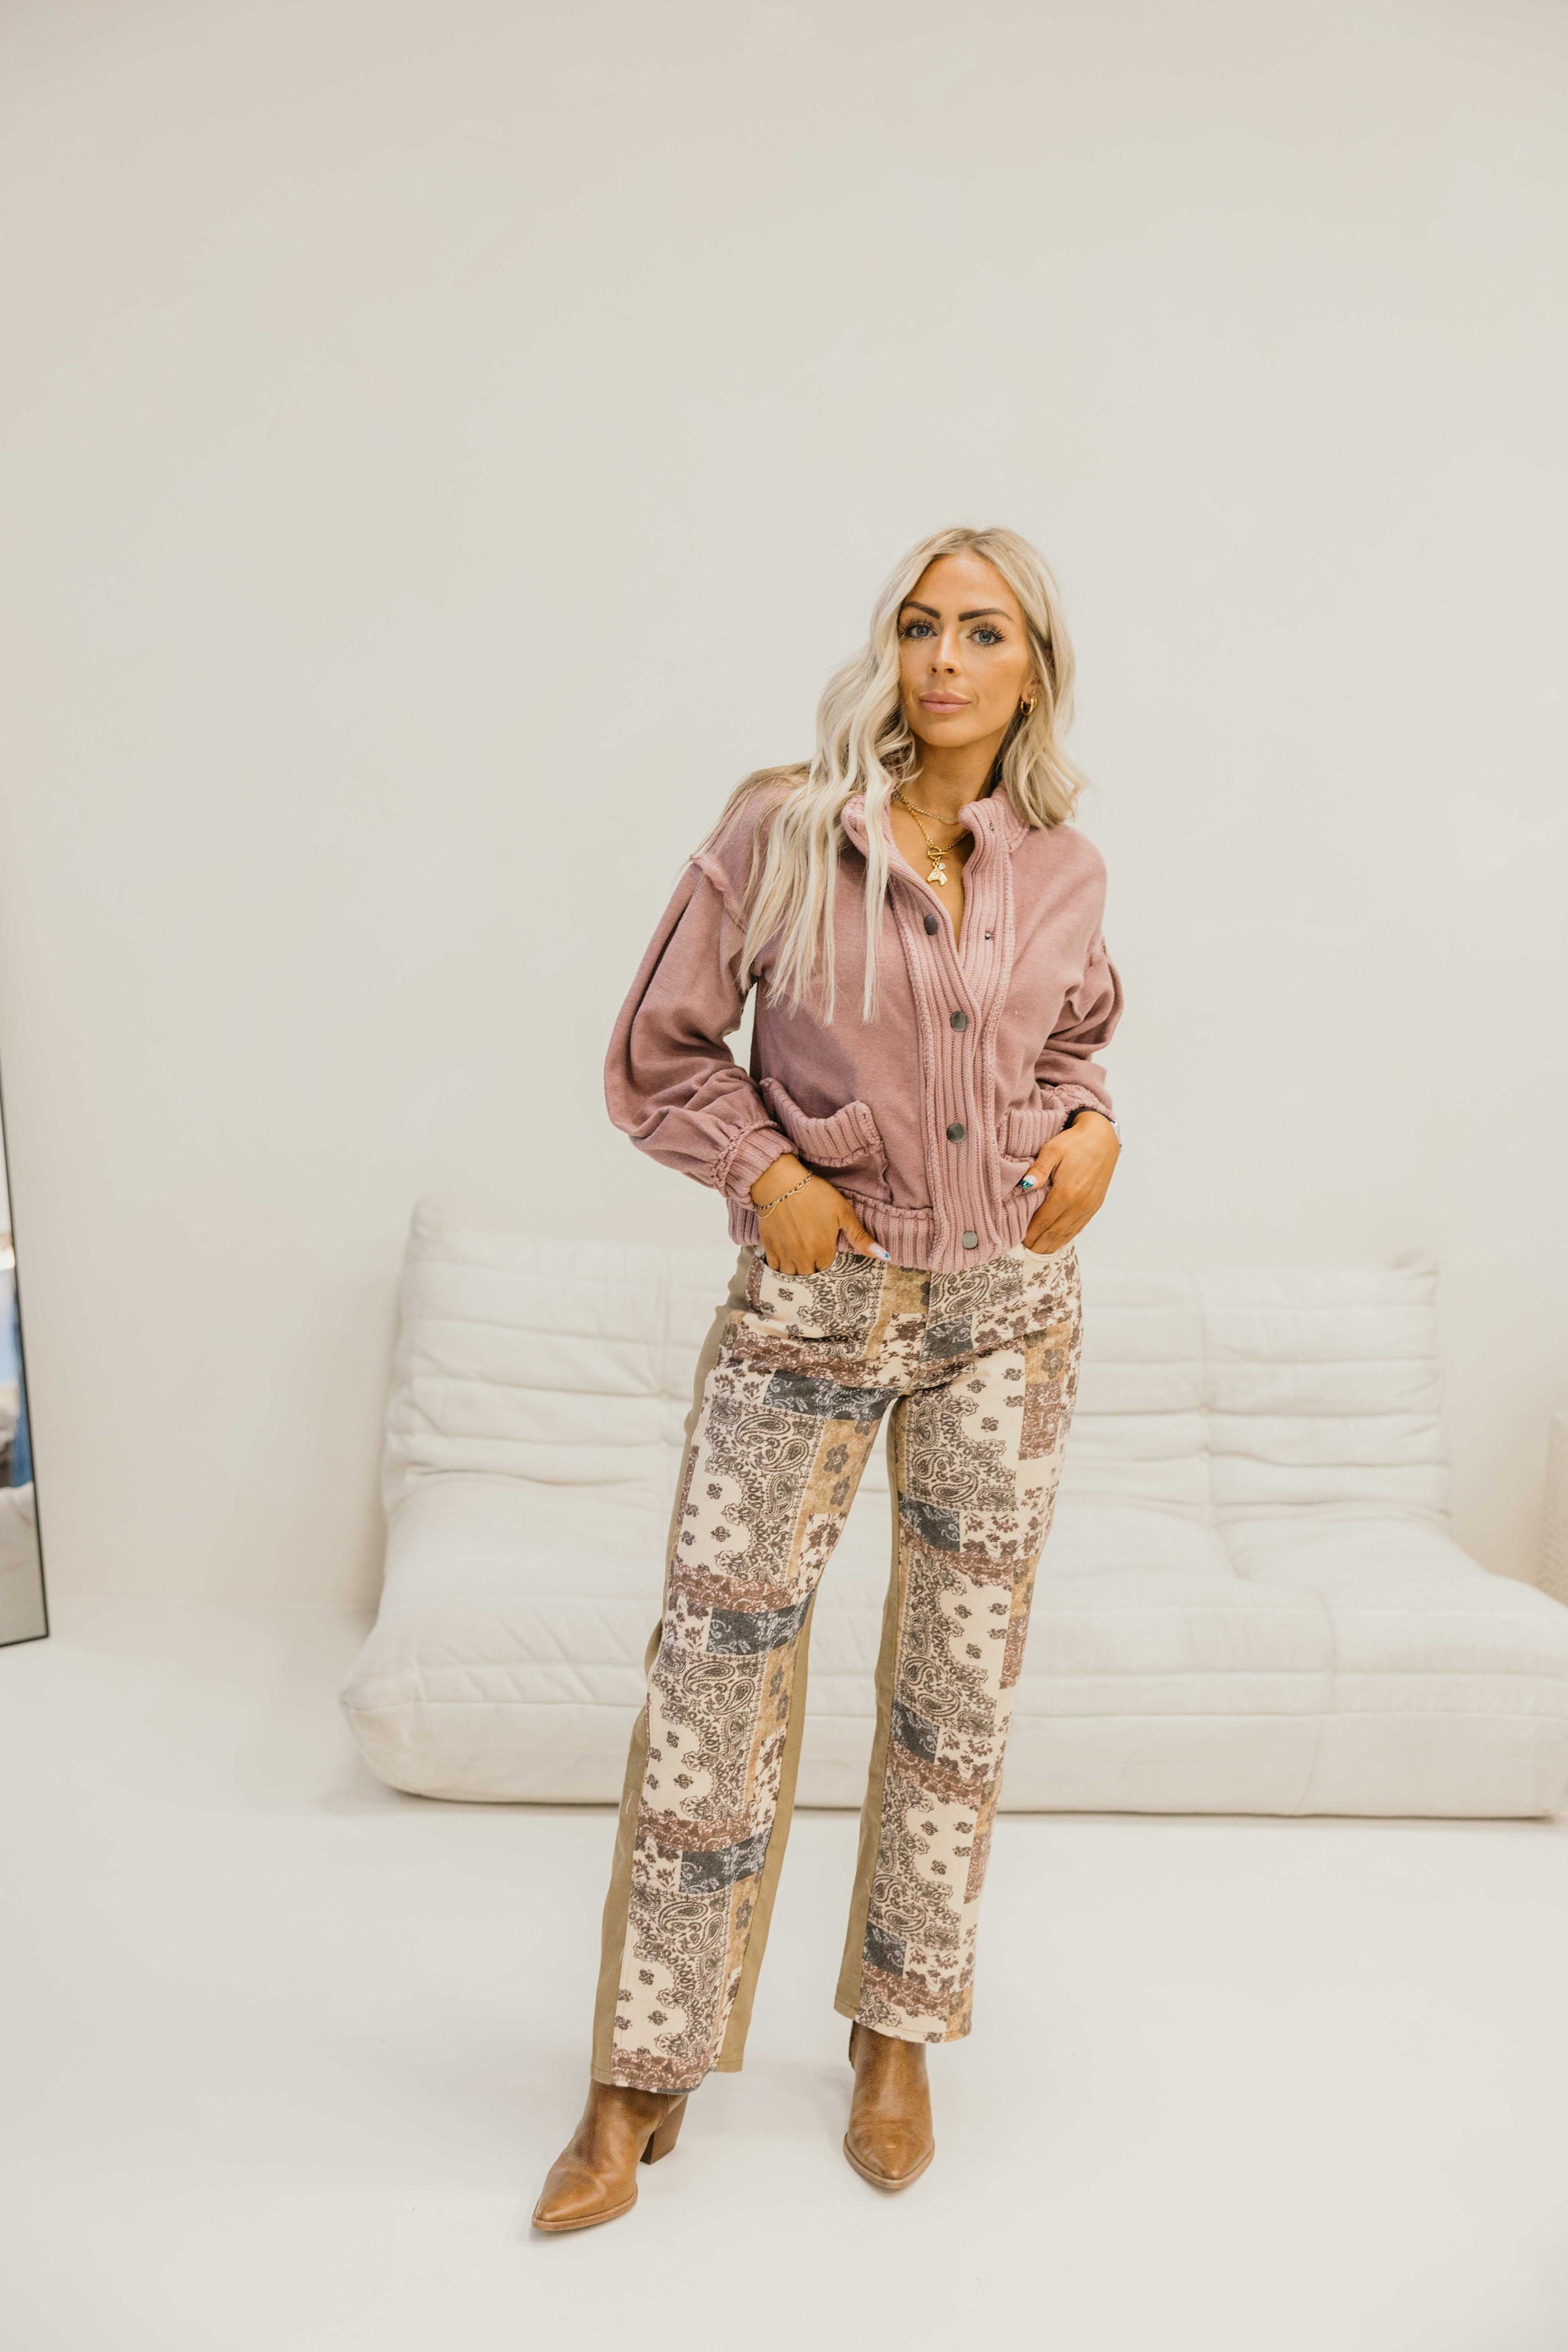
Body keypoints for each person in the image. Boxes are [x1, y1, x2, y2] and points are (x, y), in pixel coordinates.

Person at [533, 525, 1124, 2230]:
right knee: (714, 1680)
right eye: (920, 626)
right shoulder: (783, 829)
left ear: (1035, 669)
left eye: (985, 633)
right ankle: (637, 2077)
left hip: (1008, 1313)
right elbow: (658, 1055)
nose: (946, 659)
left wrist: (1093, 1128)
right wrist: (764, 1171)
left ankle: (897, 2037)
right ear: (888, 648)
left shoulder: (1065, 864)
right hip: (814, 1309)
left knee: (958, 1690)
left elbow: (1074, 1036)